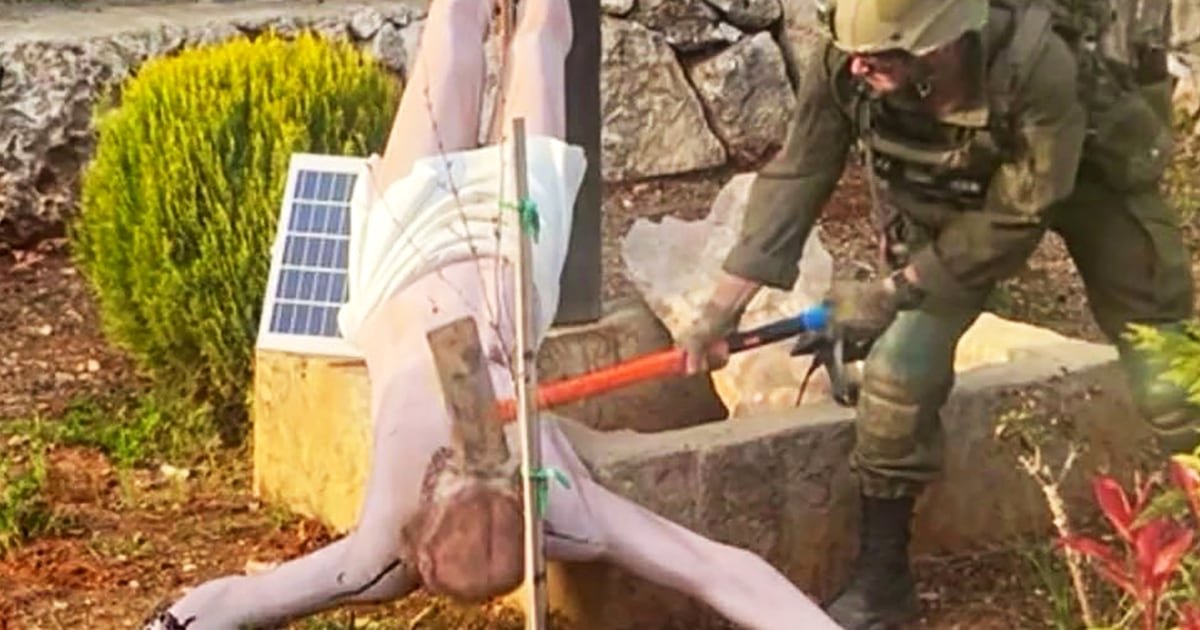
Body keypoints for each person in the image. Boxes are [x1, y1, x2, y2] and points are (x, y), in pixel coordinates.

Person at [141, 0, 842, 628]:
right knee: (539, 34)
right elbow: (717, 569)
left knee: (458, 27)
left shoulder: (375, 554)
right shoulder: (565, 513)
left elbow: (236, 603)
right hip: (510, 235)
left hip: (409, 249)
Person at [679, 0, 1196, 628]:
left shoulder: (1038, 62)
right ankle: (883, 580)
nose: (861, 64)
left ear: (943, 42)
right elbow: (800, 170)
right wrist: (721, 309)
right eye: (857, 51)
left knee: (1164, 361)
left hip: (1088, 173)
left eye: (884, 54)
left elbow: (1019, 212)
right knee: (898, 372)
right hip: (955, 198)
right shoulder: (848, 55)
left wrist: (893, 289)